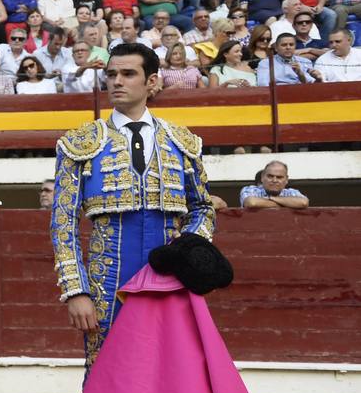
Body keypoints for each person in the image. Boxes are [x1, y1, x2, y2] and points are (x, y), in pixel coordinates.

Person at [50, 43, 215, 372]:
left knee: (171, 371)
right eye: (111, 74)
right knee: (107, 373)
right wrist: (76, 291)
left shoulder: (182, 142)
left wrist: (187, 252)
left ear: (152, 82)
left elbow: (203, 209)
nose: (117, 81)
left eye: (128, 74)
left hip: (170, 279)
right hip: (107, 282)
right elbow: (63, 223)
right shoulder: (80, 143)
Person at [240, 161, 309, 209]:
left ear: (286, 180)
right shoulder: (250, 190)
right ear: (262, 177)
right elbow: (252, 203)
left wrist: (271, 198)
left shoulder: (291, 192)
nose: (274, 180)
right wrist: (288, 204)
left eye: (279, 177)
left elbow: (303, 203)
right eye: (270, 176)